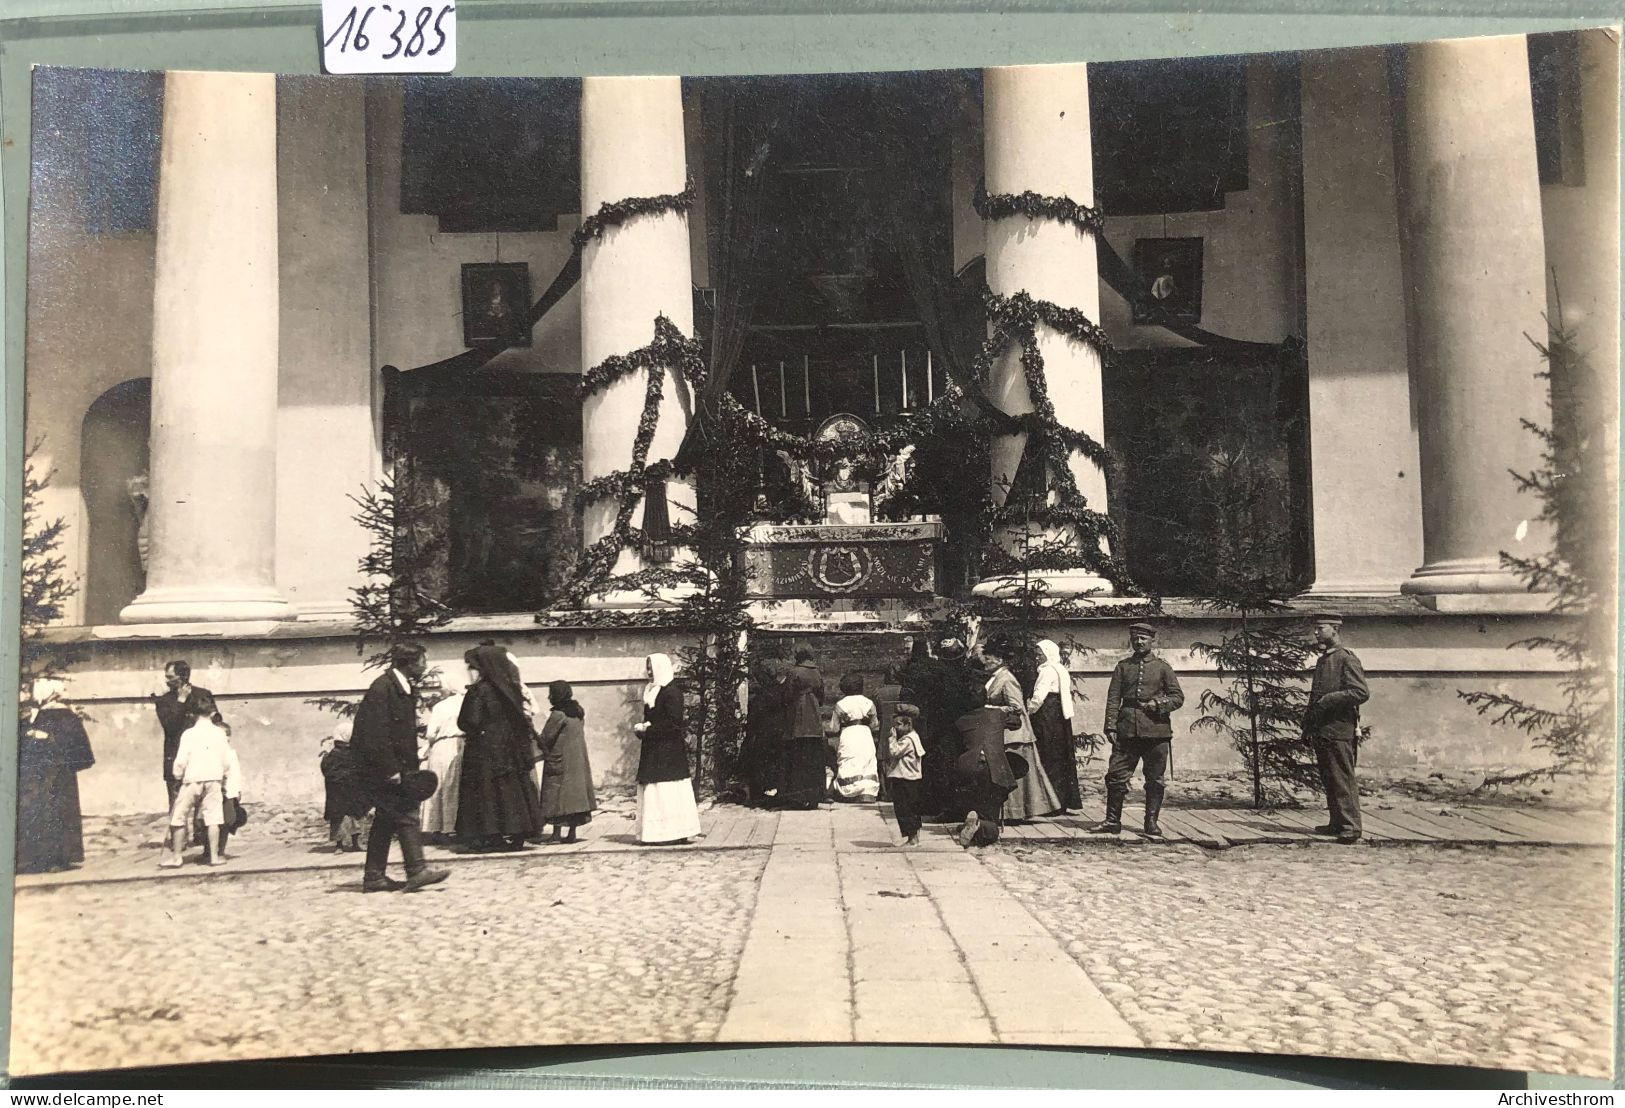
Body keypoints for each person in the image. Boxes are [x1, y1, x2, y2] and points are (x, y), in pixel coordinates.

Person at [351, 643, 449, 893]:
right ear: (408, 662)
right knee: (406, 814)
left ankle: (374, 877)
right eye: (421, 661)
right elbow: (375, 733)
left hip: (398, 767)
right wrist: (389, 768)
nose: (425, 666)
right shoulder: (383, 688)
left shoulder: (400, 688)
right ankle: (417, 871)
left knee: (385, 821)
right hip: (385, 769)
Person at [1094, 622, 1185, 837]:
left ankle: (1150, 823)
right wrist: (1110, 726)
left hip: (1156, 732)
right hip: (1127, 731)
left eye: (1143, 638)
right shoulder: (1123, 667)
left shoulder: (1163, 667)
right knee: (1115, 776)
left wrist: (1158, 705)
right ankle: (1112, 821)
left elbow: (1178, 697)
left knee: (1154, 780)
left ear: (1153, 640)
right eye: (1135, 638)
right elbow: (1113, 698)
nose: (1139, 641)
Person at [456, 645, 544, 851]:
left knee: (486, 791)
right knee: (511, 789)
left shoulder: (480, 691)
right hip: (509, 748)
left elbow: (470, 720)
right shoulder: (510, 688)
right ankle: (518, 833)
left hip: (485, 749)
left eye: (473, 667)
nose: (471, 671)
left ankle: (490, 835)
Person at [1303, 612, 1369, 844]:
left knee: (1342, 778)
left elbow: (1360, 692)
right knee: (1330, 777)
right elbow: (1315, 697)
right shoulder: (1324, 660)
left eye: (1320, 628)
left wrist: (1330, 700)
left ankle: (1351, 827)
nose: (1316, 632)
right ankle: (1336, 823)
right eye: (1316, 628)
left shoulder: (1346, 659)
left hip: (1340, 729)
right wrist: (1308, 726)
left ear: (1335, 629)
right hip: (1323, 729)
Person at [17, 678, 94, 875]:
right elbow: (79, 748)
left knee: (45, 813)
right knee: (60, 813)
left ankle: (45, 859)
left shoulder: (53, 715)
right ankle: (61, 858)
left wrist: (42, 738)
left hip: (45, 774)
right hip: (61, 775)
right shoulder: (63, 715)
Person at [981, 636, 1061, 822]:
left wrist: (990, 709)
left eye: (989, 658)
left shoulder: (1007, 679)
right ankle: (1010, 813)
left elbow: (1016, 707)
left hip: (1014, 733)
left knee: (1017, 773)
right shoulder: (996, 677)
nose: (985, 662)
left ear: (999, 661)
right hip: (1002, 731)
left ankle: (1017, 812)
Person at [160, 691, 239, 868]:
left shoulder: (188, 734)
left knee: (179, 816)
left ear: (193, 714)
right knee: (213, 818)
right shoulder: (219, 733)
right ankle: (214, 857)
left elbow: (180, 760)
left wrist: (178, 775)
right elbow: (226, 761)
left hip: (192, 779)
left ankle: (177, 857)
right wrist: (222, 775)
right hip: (214, 779)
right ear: (211, 713)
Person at [634, 653, 702, 845]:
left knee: (668, 790)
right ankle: (659, 833)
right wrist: (645, 727)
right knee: (656, 791)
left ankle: (673, 832)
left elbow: (673, 724)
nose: (649, 672)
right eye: (647, 668)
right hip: (655, 749)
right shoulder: (652, 690)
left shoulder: (671, 693)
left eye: (651, 668)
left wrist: (648, 729)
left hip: (668, 751)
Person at [950, 699, 1021, 848]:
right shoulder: (997, 714)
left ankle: (971, 822)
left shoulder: (961, 721)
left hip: (968, 767)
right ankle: (981, 825)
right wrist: (1008, 711)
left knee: (975, 800)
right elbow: (1016, 723)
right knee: (992, 823)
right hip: (992, 768)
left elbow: (958, 748)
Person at [537, 680, 597, 843]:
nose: (549, 697)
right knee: (574, 799)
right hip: (576, 763)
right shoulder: (578, 712)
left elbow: (546, 737)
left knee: (557, 798)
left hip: (560, 761)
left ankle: (556, 834)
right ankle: (572, 833)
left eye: (551, 693)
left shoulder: (558, 714)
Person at [1028, 639, 1083, 813]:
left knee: (1047, 755)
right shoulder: (1061, 669)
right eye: (1036, 654)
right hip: (1060, 718)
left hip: (1047, 716)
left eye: (1040, 654)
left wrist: (1028, 710)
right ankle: (1062, 801)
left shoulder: (1047, 671)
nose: (1037, 658)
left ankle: (1051, 803)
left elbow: (1039, 697)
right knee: (1060, 757)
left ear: (1048, 654)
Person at [153, 660, 211, 811]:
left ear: (183, 676)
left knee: (204, 810)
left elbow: (214, 723)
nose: (167, 681)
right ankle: (174, 835)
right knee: (176, 808)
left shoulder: (203, 695)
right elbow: (169, 726)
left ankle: (200, 835)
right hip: (175, 758)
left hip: (200, 758)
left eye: (170, 677)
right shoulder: (163, 701)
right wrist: (181, 701)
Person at [419, 685, 466, 843]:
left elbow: (431, 733)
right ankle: (458, 827)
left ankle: (441, 828)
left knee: (440, 785)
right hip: (464, 744)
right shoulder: (467, 701)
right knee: (457, 785)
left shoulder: (441, 706)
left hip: (443, 746)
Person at [744, 660, 792, 807]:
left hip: (765, 734)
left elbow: (754, 718)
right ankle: (778, 793)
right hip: (780, 733)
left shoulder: (762, 695)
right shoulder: (782, 691)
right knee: (778, 764)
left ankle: (759, 795)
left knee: (760, 763)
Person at [830, 672, 880, 802]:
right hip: (864, 733)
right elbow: (875, 726)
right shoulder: (869, 703)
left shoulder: (840, 704)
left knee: (849, 761)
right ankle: (867, 791)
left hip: (849, 733)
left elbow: (834, 728)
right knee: (867, 760)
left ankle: (848, 791)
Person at [320, 722, 367, 852]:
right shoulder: (335, 753)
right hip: (341, 789)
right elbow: (327, 770)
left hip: (345, 789)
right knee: (343, 816)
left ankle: (351, 844)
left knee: (352, 816)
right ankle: (341, 845)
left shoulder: (349, 751)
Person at [886, 703, 926, 845]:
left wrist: (891, 739)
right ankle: (914, 837)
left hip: (904, 778)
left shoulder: (907, 740)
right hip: (911, 778)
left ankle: (912, 838)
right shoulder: (914, 737)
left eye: (898, 724)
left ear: (908, 724)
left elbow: (894, 752)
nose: (895, 728)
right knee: (911, 809)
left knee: (905, 809)